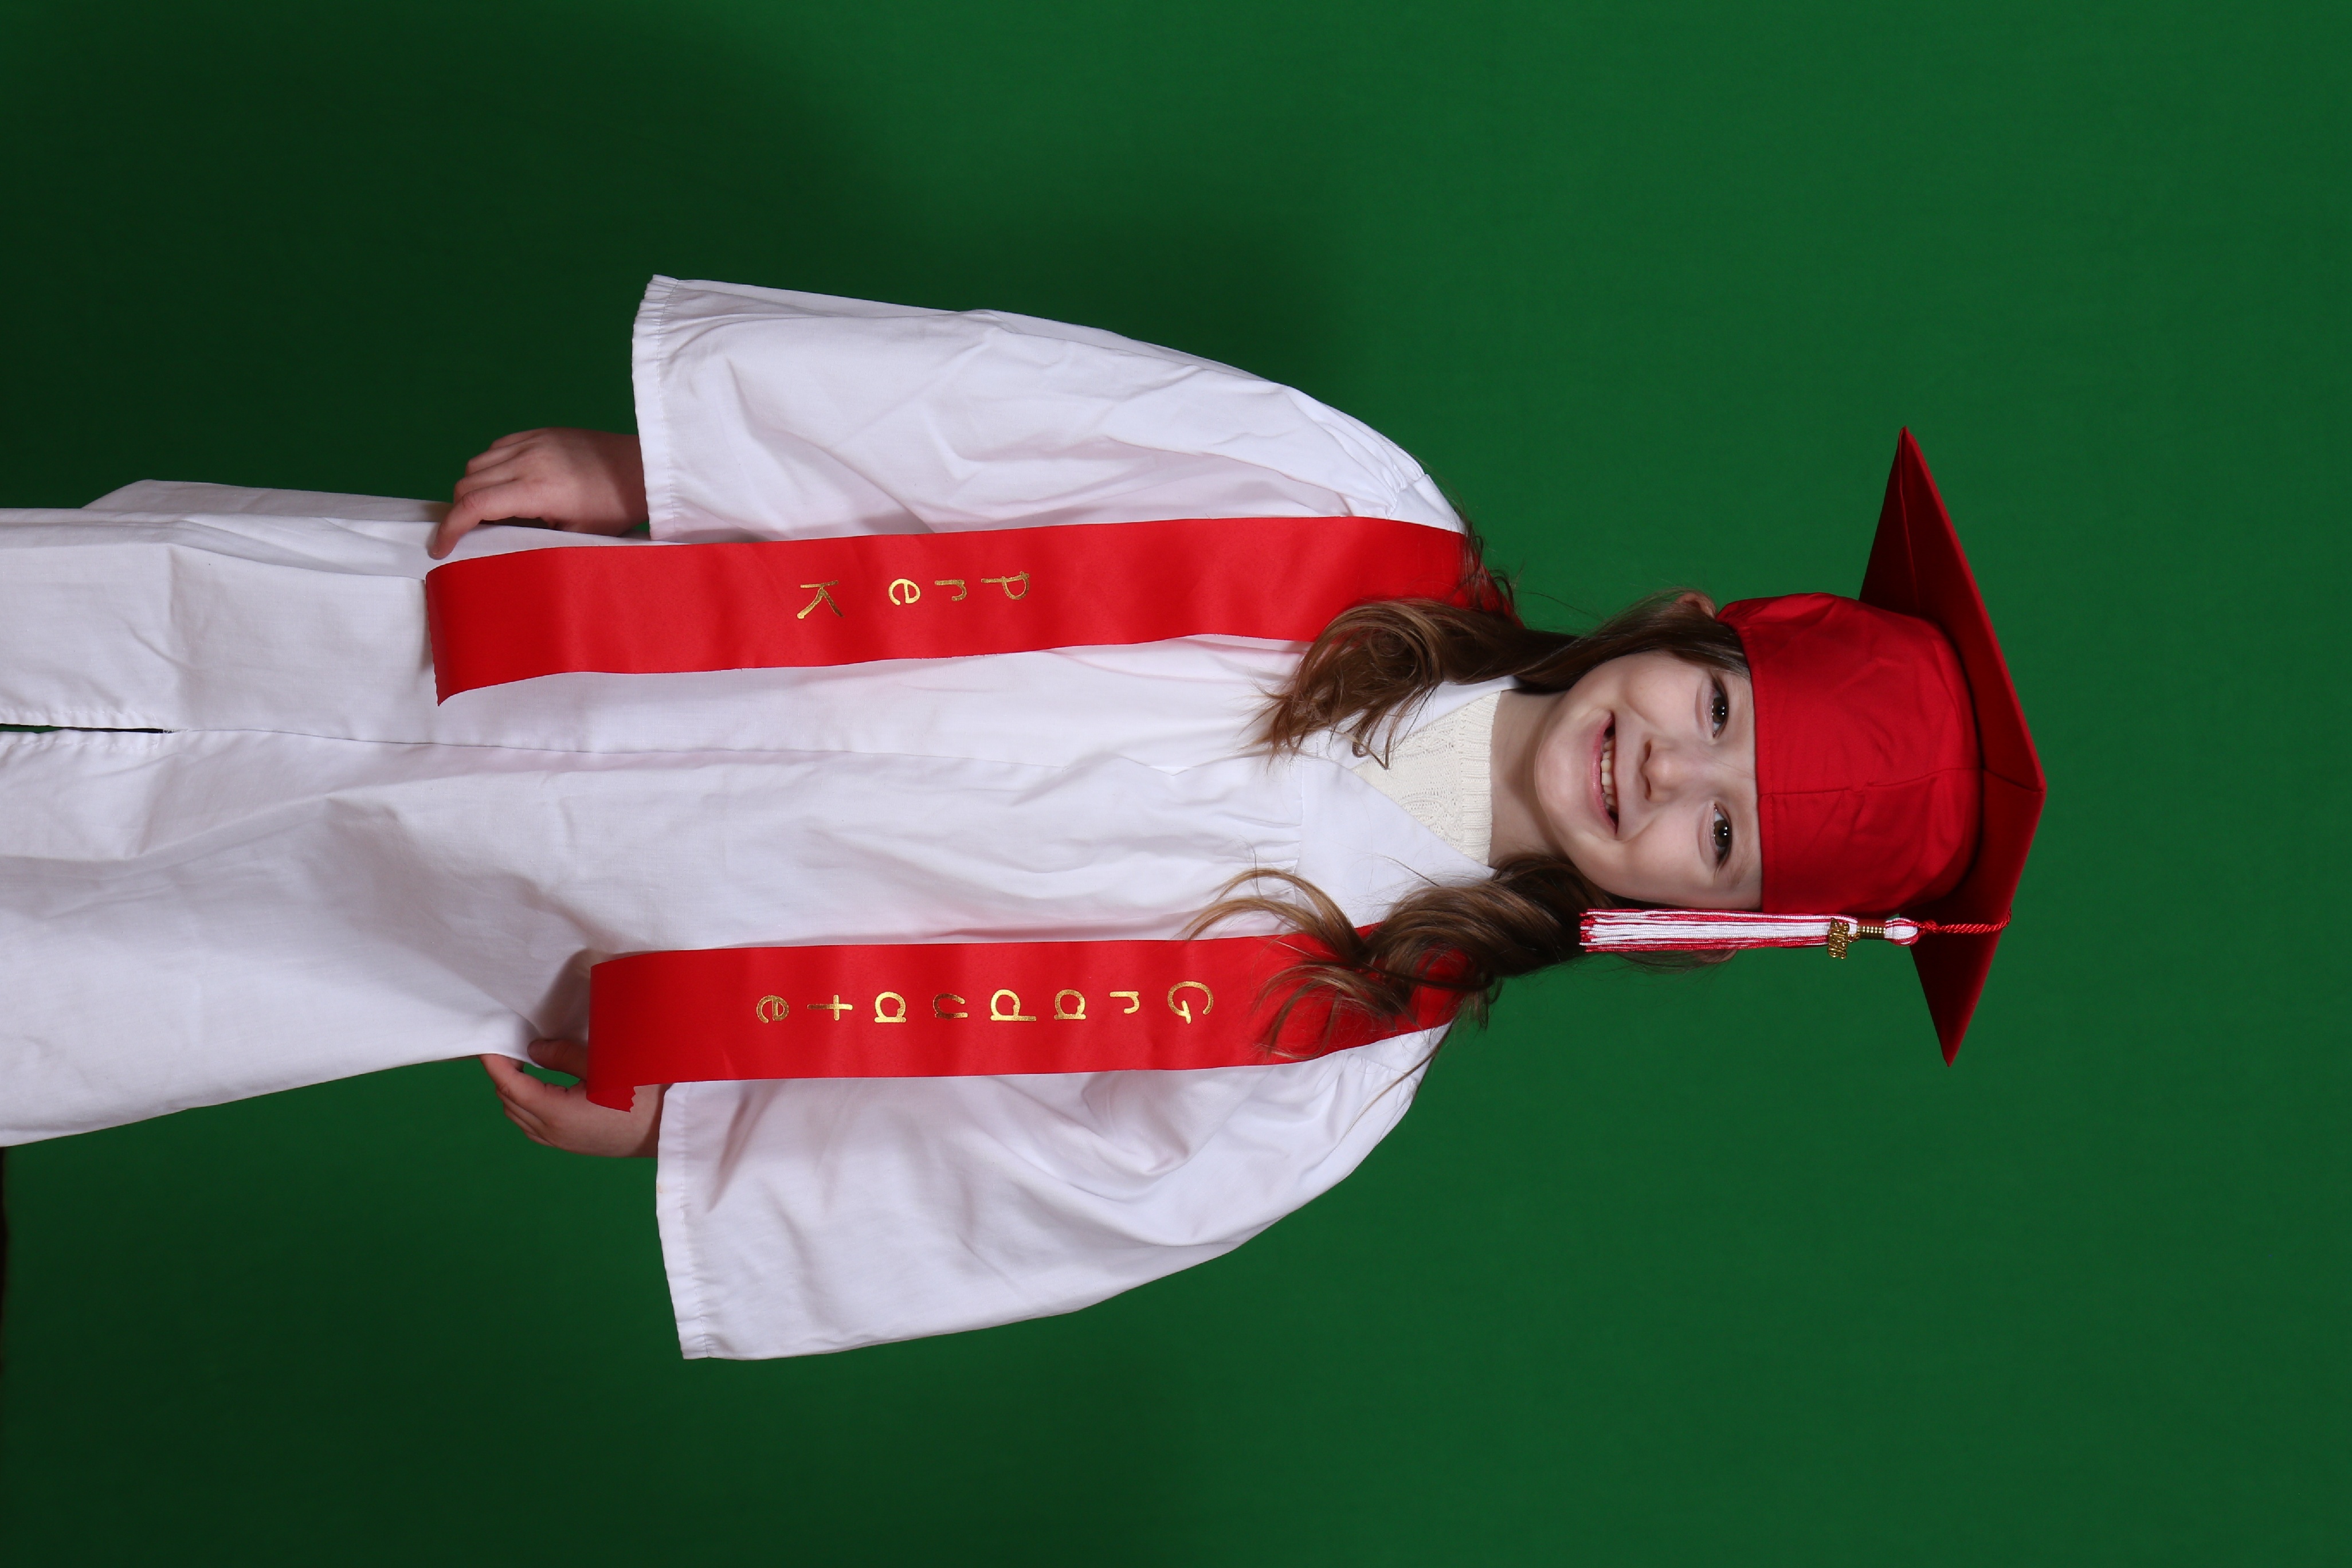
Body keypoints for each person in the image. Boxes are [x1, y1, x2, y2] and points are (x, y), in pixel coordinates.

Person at [0, 277, 2041, 1358]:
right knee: (168, 619)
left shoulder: (1323, 1051)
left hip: (575, 915)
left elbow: (1009, 1176)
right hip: (597, 645)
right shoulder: (1345, 516)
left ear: (1699, 914)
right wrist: (660, 471)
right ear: (1694, 630)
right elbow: (989, 419)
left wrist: (696, 1124)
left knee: (200, 948)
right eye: (1713, 715)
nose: (1664, 772)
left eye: (1718, 833)